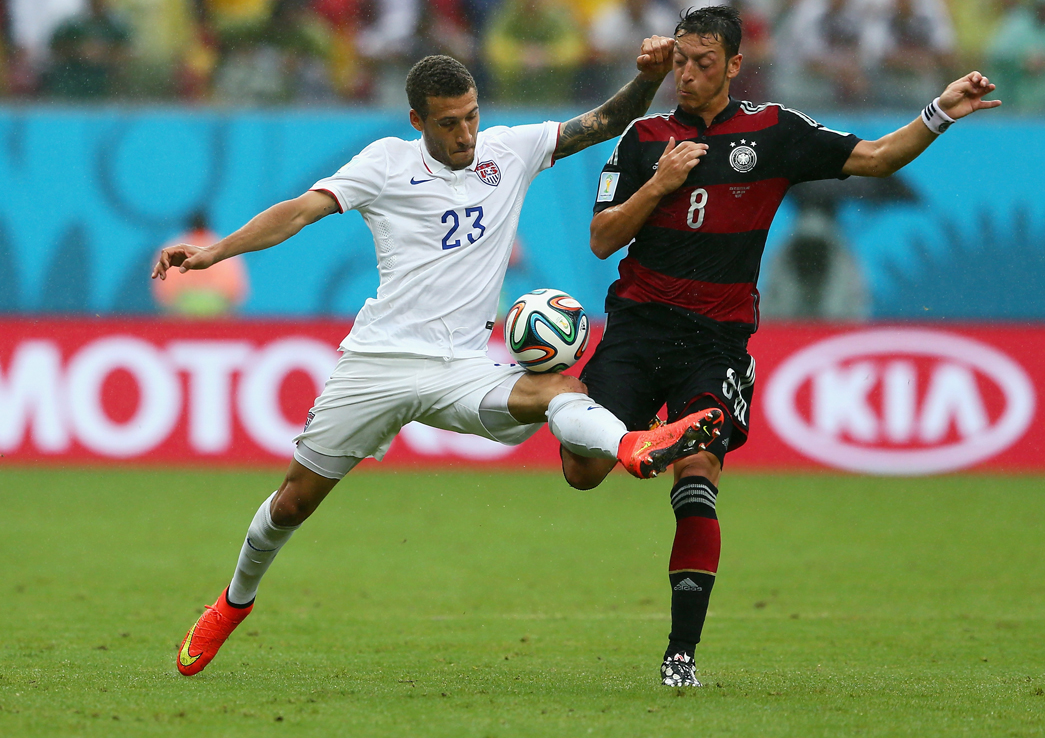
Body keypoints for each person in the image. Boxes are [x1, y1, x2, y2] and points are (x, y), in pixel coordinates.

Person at [153, 43, 725, 677]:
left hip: (462, 367)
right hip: (379, 360)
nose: (466, 134)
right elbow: (299, 212)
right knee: (291, 504)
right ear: (417, 121)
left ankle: (632, 446)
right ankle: (233, 603)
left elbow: (606, 121)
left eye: (472, 116)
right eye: (449, 123)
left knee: (558, 390)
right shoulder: (385, 163)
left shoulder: (510, 150)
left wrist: (648, 77)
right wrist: (216, 253)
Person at [561, 5, 1000, 687]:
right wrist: (661, 183)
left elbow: (878, 158)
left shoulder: (773, 132)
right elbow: (602, 238)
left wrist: (940, 111)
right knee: (581, 470)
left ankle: (680, 656)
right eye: (681, 61)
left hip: (716, 339)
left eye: (704, 62)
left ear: (735, 65)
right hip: (639, 327)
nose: (687, 74)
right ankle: (650, 436)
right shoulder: (643, 139)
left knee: (698, 470)